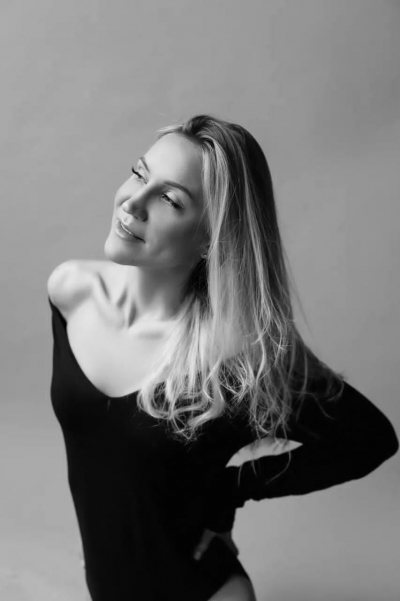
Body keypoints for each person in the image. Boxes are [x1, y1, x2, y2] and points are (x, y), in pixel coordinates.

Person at [47, 114, 398, 601]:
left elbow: (369, 439)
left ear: (212, 238)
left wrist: (232, 488)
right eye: (139, 173)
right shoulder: (71, 292)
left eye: (170, 200)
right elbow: (105, 457)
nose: (133, 202)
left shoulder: (235, 356)